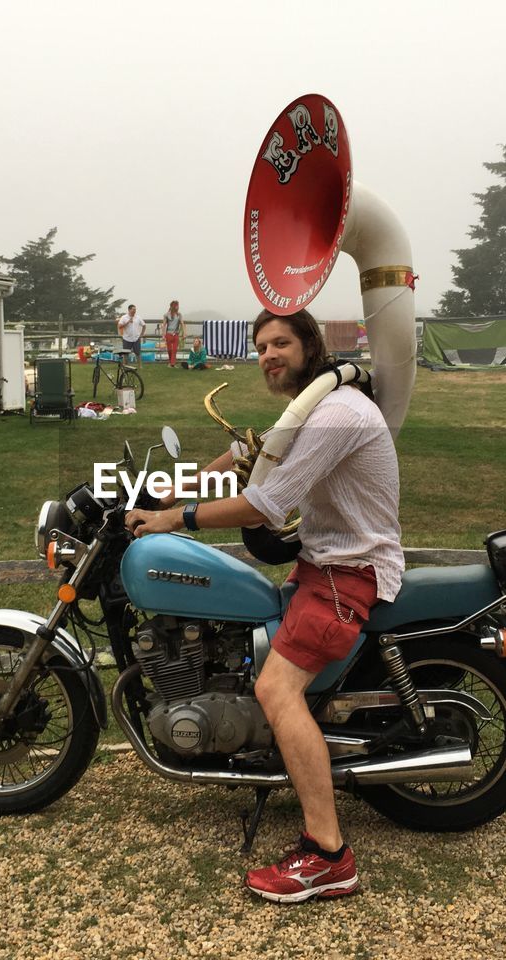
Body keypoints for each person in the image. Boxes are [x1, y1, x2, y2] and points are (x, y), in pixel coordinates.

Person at [126, 308, 403, 904]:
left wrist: (173, 520)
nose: (268, 354)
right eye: (260, 346)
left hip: (345, 574)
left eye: (281, 342)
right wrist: (180, 486)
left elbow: (265, 501)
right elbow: (254, 452)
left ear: (309, 345)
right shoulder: (316, 406)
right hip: (325, 565)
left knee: (277, 690)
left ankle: (329, 854)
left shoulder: (334, 414)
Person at [160, 299, 184, 367]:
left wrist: (184, 333)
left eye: (178, 306)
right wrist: (163, 334)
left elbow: (182, 323)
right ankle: (171, 362)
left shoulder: (179, 315)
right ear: (173, 306)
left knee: (175, 349)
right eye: (176, 306)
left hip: (176, 334)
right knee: (169, 349)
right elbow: (164, 325)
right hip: (168, 334)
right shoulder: (166, 315)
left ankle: (172, 363)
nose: (178, 307)